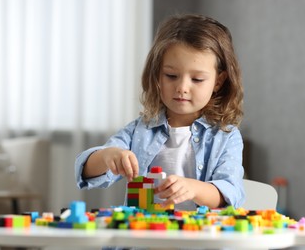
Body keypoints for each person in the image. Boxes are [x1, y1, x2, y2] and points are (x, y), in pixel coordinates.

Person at [75, 14, 245, 210]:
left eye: (197, 79)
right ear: (157, 75)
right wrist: (107, 156)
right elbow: (85, 170)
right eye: (171, 76)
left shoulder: (226, 136)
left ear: (218, 81)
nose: (182, 87)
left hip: (198, 238)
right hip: (143, 237)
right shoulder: (140, 130)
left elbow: (230, 192)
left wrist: (194, 189)